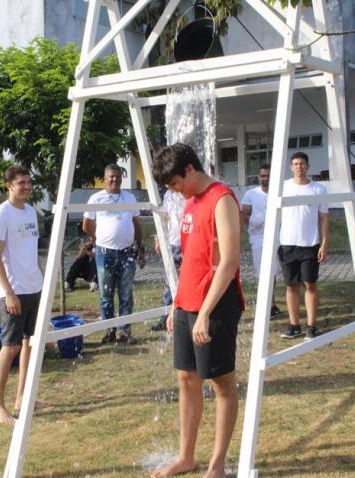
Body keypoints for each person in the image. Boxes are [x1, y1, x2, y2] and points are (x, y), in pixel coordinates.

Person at [150, 143, 245, 478]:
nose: (174, 191)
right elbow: (191, 259)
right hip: (187, 302)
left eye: (175, 183)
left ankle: (217, 464)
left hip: (216, 305)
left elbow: (229, 261)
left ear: (190, 170)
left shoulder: (222, 199)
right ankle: (186, 457)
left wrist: (205, 312)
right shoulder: (190, 202)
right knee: (186, 379)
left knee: (221, 383)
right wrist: (178, 304)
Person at [0, 164, 44, 425]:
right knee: (10, 347)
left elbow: (31, 252)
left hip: (34, 287)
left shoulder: (31, 212)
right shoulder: (1, 214)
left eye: (28, 182)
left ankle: (22, 398)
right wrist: (8, 293)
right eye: (21, 182)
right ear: (8, 185)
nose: (26, 187)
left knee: (31, 344)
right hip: (13, 290)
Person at [82, 164, 146, 344]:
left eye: (118, 176)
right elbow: (86, 224)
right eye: (111, 177)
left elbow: (136, 223)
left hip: (127, 252)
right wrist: (97, 238)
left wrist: (141, 247)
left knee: (126, 293)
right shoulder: (96, 198)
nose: (115, 180)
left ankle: (125, 331)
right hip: (105, 253)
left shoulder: (129, 197)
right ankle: (109, 331)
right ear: (104, 178)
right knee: (106, 294)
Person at [278, 152, 329, 341]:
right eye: (295, 164)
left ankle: (311, 326)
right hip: (287, 244)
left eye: (302, 164)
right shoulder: (282, 187)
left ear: (307, 166)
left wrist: (324, 243)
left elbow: (323, 218)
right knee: (291, 285)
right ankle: (294, 325)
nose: (299, 167)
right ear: (291, 167)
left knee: (310, 284)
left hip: (310, 244)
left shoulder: (318, 189)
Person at [240, 164, 281, 319]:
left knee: (273, 273)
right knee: (262, 273)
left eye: (268, 176)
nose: (265, 179)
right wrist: (256, 221)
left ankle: (272, 304)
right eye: (263, 176)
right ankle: (267, 306)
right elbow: (245, 214)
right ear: (259, 177)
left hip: (278, 239)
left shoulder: (278, 193)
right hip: (258, 240)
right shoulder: (251, 194)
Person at [152, 188, 185, 331]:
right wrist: (158, 237)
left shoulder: (188, 192)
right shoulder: (168, 195)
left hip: (188, 243)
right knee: (169, 282)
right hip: (172, 243)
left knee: (188, 281)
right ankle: (165, 318)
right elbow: (164, 218)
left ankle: (185, 316)